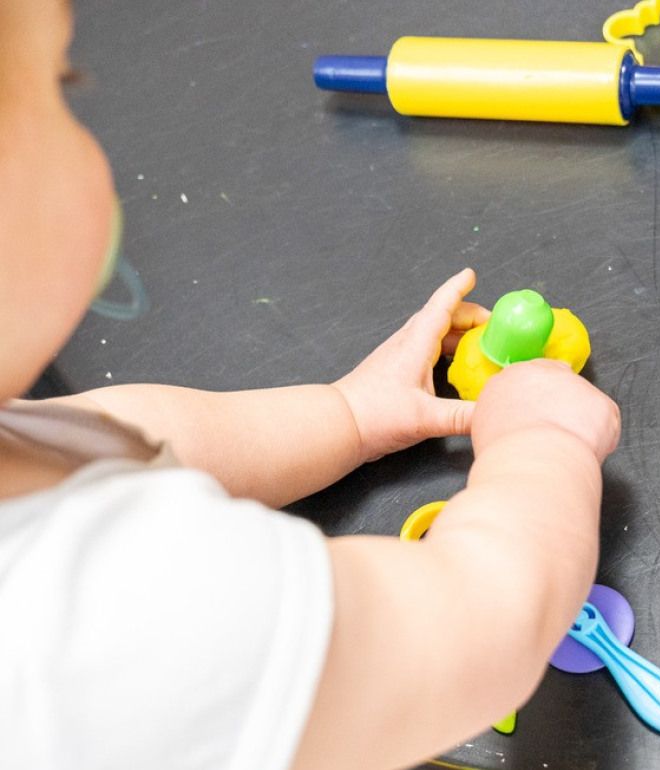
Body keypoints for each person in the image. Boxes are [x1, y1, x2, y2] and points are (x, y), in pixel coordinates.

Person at [0, 2, 622, 768]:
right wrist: (541, 445)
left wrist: (348, 415)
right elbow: (471, 635)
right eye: (59, 90)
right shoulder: (103, 621)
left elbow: (131, 441)